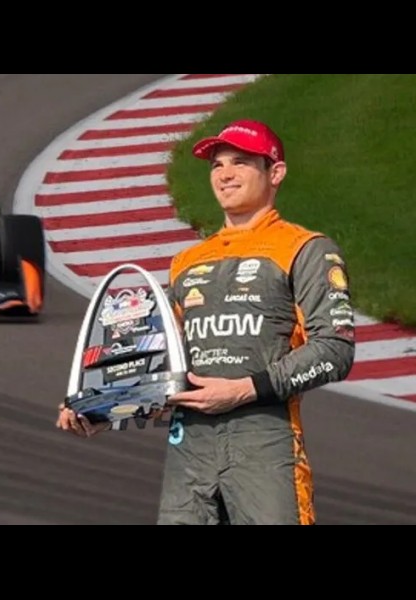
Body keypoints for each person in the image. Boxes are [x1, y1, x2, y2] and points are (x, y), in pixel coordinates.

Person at [56, 119, 356, 525]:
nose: (225, 174)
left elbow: (335, 349)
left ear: (276, 173)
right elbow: (162, 367)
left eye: (240, 162)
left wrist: (243, 390)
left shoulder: (305, 248)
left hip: (264, 440)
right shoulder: (186, 263)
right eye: (217, 165)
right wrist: (102, 409)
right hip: (190, 447)